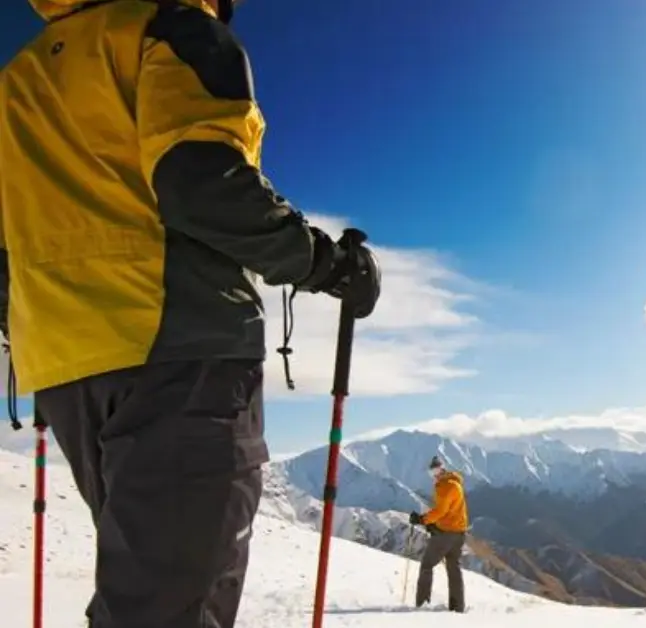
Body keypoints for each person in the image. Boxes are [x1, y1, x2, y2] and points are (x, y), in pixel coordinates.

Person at [0, 1, 382, 627]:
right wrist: (324, 263)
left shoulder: (19, 79)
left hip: (65, 363)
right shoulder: (169, 29)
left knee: (149, 587)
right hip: (176, 349)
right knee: (170, 606)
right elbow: (204, 184)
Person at [409, 455, 469, 613]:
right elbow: (450, 512)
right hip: (459, 533)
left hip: (446, 535)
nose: (434, 475)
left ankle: (422, 604)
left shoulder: (444, 486)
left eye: (436, 471)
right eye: (432, 472)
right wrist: (434, 525)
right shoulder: (456, 484)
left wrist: (423, 520)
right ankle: (458, 607)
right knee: (453, 568)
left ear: (442, 469)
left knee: (427, 566)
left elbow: (440, 511)